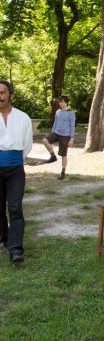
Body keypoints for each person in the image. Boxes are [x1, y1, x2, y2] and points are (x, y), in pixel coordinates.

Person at [0, 80, 32, 264]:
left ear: (10, 95)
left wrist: (15, 160)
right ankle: (4, 239)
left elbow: (26, 146)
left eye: (3, 92)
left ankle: (16, 249)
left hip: (15, 170)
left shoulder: (23, 118)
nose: (0, 96)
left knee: (14, 207)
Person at [42, 96, 76, 180]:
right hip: (56, 133)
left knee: (63, 155)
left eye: (61, 101)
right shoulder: (58, 112)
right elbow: (55, 123)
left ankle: (63, 172)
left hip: (65, 136)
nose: (59, 103)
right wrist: (52, 132)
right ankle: (53, 156)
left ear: (65, 102)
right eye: (59, 101)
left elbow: (72, 127)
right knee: (45, 140)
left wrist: (71, 139)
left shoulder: (71, 113)